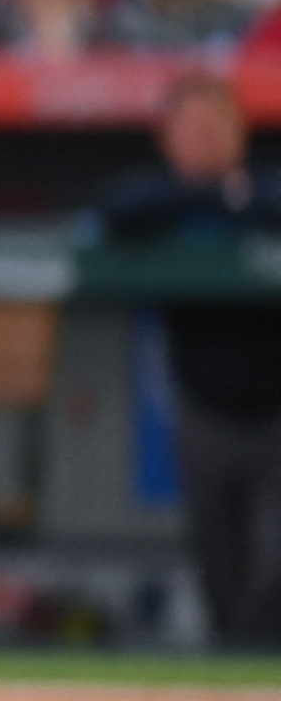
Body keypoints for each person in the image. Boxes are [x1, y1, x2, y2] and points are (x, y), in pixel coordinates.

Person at [96, 74, 281, 648]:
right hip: (204, 407)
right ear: (167, 138)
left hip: (277, 405)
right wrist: (217, 199)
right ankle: (234, 683)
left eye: (215, 125)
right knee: (220, 566)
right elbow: (119, 211)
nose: (204, 139)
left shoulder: (266, 191)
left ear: (240, 131)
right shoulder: (156, 201)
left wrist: (235, 201)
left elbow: (268, 203)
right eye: (191, 128)